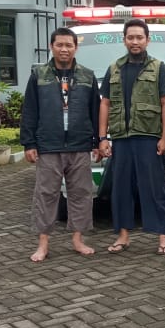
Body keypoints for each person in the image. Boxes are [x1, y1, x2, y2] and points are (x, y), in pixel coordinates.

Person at [20, 27, 101, 262]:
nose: (64, 49)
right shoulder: (39, 75)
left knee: (81, 194)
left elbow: (95, 111)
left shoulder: (87, 76)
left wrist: (97, 141)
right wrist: (29, 143)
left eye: (69, 45)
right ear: (51, 47)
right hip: (49, 145)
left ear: (76, 48)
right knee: (45, 194)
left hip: (79, 144)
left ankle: (78, 240)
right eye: (59, 45)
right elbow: (29, 111)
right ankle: (43, 244)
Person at [98, 18, 165, 255]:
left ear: (147, 40)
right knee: (121, 189)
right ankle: (123, 236)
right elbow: (105, 103)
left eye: (139, 37)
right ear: (124, 40)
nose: (135, 41)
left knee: (154, 188)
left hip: (148, 137)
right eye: (130, 37)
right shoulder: (114, 68)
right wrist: (102, 137)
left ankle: (163, 236)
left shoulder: (158, 68)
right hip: (121, 138)